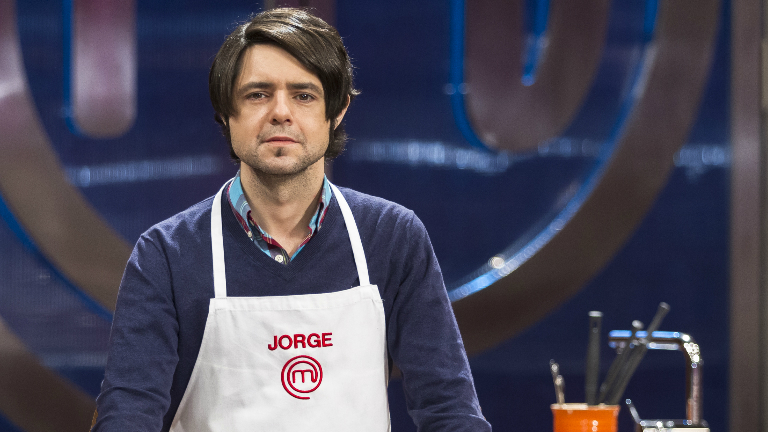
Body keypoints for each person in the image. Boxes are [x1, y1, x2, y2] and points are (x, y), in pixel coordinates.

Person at [92, 7, 491, 432]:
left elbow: (450, 409)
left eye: (304, 95)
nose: (281, 112)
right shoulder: (166, 255)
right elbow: (127, 413)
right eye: (257, 94)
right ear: (226, 113)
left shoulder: (392, 237)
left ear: (337, 111)